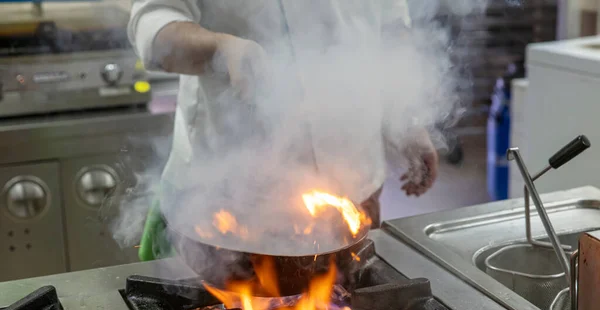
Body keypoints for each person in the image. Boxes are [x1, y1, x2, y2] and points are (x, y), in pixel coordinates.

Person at [128, 0, 439, 261]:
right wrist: (219, 49)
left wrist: (408, 120)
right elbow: (153, 25)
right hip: (230, 197)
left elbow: (392, 29)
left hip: (354, 186)